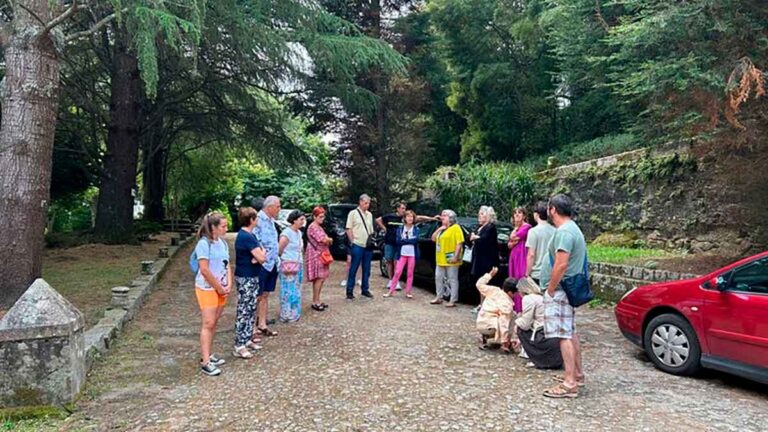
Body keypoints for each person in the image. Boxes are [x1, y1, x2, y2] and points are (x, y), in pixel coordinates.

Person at [540, 194, 587, 398]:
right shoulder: (572, 228)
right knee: (570, 331)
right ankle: (577, 374)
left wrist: (550, 288)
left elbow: (561, 264)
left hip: (560, 290)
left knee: (563, 334)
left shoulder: (565, 232)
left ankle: (569, 383)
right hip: (566, 288)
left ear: (552, 210)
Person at [194, 212, 232, 376]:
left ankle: (208, 353)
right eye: (223, 226)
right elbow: (204, 269)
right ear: (213, 228)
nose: (226, 228)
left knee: (214, 321)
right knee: (208, 323)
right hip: (207, 288)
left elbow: (227, 264)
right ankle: (205, 361)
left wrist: (228, 283)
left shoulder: (222, 243)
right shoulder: (204, 244)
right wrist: (218, 287)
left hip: (221, 287)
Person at [233, 207, 266, 360]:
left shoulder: (249, 235)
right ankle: (239, 344)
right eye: (256, 218)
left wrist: (258, 256)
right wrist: (260, 255)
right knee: (244, 309)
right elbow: (261, 257)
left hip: (252, 275)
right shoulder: (246, 237)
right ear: (251, 220)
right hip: (246, 276)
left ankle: (247, 339)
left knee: (251, 307)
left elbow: (258, 256)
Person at [512, 277, 563, 369]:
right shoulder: (542, 296)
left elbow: (525, 324)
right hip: (555, 334)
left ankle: (535, 357)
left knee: (520, 328)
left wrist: (516, 322)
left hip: (543, 333)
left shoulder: (528, 298)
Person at [254, 195, 281, 337]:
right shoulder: (257, 220)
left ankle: (262, 324)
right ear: (269, 207)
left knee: (265, 294)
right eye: (277, 206)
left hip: (272, 263)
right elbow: (255, 241)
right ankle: (252, 327)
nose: (279, 209)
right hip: (262, 264)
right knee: (257, 295)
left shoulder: (271, 221)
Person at [475, 267, 516, 353]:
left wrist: (489, 275)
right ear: (510, 293)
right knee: (512, 316)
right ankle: (505, 341)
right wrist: (505, 341)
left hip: (480, 323)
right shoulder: (507, 303)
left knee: (496, 317)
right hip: (492, 327)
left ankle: (484, 337)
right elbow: (503, 322)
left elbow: (479, 284)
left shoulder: (494, 290)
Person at [430, 209, 464, 308]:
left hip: (451, 258)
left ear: (451, 218)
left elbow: (459, 243)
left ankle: (453, 300)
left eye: (444, 215)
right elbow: (433, 238)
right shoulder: (442, 229)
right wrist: (440, 229)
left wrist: (456, 256)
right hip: (440, 258)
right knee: (438, 277)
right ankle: (439, 297)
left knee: (452, 279)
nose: (442, 217)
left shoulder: (456, 228)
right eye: (442, 215)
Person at [383, 210, 420, 298]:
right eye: (408, 216)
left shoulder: (416, 228)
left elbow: (415, 240)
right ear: (404, 218)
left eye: (411, 216)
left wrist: (405, 240)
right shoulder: (400, 229)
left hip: (412, 254)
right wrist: (408, 241)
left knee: (410, 273)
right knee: (398, 272)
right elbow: (398, 241)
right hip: (402, 253)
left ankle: (408, 291)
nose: (410, 218)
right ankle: (391, 291)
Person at [469, 206, 499, 312]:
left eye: (482, 214)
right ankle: (481, 303)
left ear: (488, 215)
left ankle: (485, 305)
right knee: (480, 282)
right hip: (479, 259)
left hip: (487, 260)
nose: (479, 216)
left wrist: (475, 238)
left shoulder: (490, 227)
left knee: (485, 282)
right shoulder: (480, 227)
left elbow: (485, 241)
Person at [345, 194, 375, 300]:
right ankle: (349, 290)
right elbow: (348, 228)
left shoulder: (370, 215)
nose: (367, 205)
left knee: (367, 269)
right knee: (354, 267)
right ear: (361, 202)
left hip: (367, 245)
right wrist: (352, 241)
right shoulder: (353, 213)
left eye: (368, 203)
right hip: (357, 244)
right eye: (366, 203)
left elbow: (371, 230)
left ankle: (365, 289)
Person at [278, 210, 305, 322]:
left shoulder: (299, 233)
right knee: (287, 290)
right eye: (301, 219)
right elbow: (280, 249)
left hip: (298, 263)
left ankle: (294, 313)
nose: (303, 222)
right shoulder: (286, 233)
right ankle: (286, 314)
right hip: (288, 264)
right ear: (294, 220)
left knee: (296, 289)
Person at [306, 206, 333, 311]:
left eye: (323, 217)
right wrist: (329, 240)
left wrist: (328, 240)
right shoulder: (313, 227)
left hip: (322, 254)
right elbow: (323, 240)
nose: (322, 219)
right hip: (316, 255)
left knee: (321, 278)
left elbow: (326, 240)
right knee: (319, 278)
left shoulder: (319, 227)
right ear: (314, 216)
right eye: (320, 217)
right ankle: (315, 301)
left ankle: (317, 299)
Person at [376, 202, 406, 290]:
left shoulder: (405, 218)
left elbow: (418, 218)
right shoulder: (390, 216)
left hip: (399, 243)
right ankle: (390, 279)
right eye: (402, 208)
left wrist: (432, 218)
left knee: (396, 262)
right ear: (398, 209)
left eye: (404, 208)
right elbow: (378, 220)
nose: (403, 210)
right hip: (389, 242)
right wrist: (384, 228)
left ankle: (396, 281)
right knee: (389, 261)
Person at [526, 202, 556, 287]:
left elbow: (531, 254)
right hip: (551, 273)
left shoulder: (533, 232)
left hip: (537, 274)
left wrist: (527, 274)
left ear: (536, 214)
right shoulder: (554, 230)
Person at [507, 207, 531, 313]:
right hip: (514, 255)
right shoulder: (516, 227)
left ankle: (522, 306)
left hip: (522, 255)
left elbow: (514, 237)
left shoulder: (526, 227)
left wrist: (515, 229)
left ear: (524, 215)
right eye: (515, 213)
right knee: (513, 279)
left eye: (519, 213)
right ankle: (515, 306)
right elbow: (509, 244)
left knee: (520, 279)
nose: (517, 215)